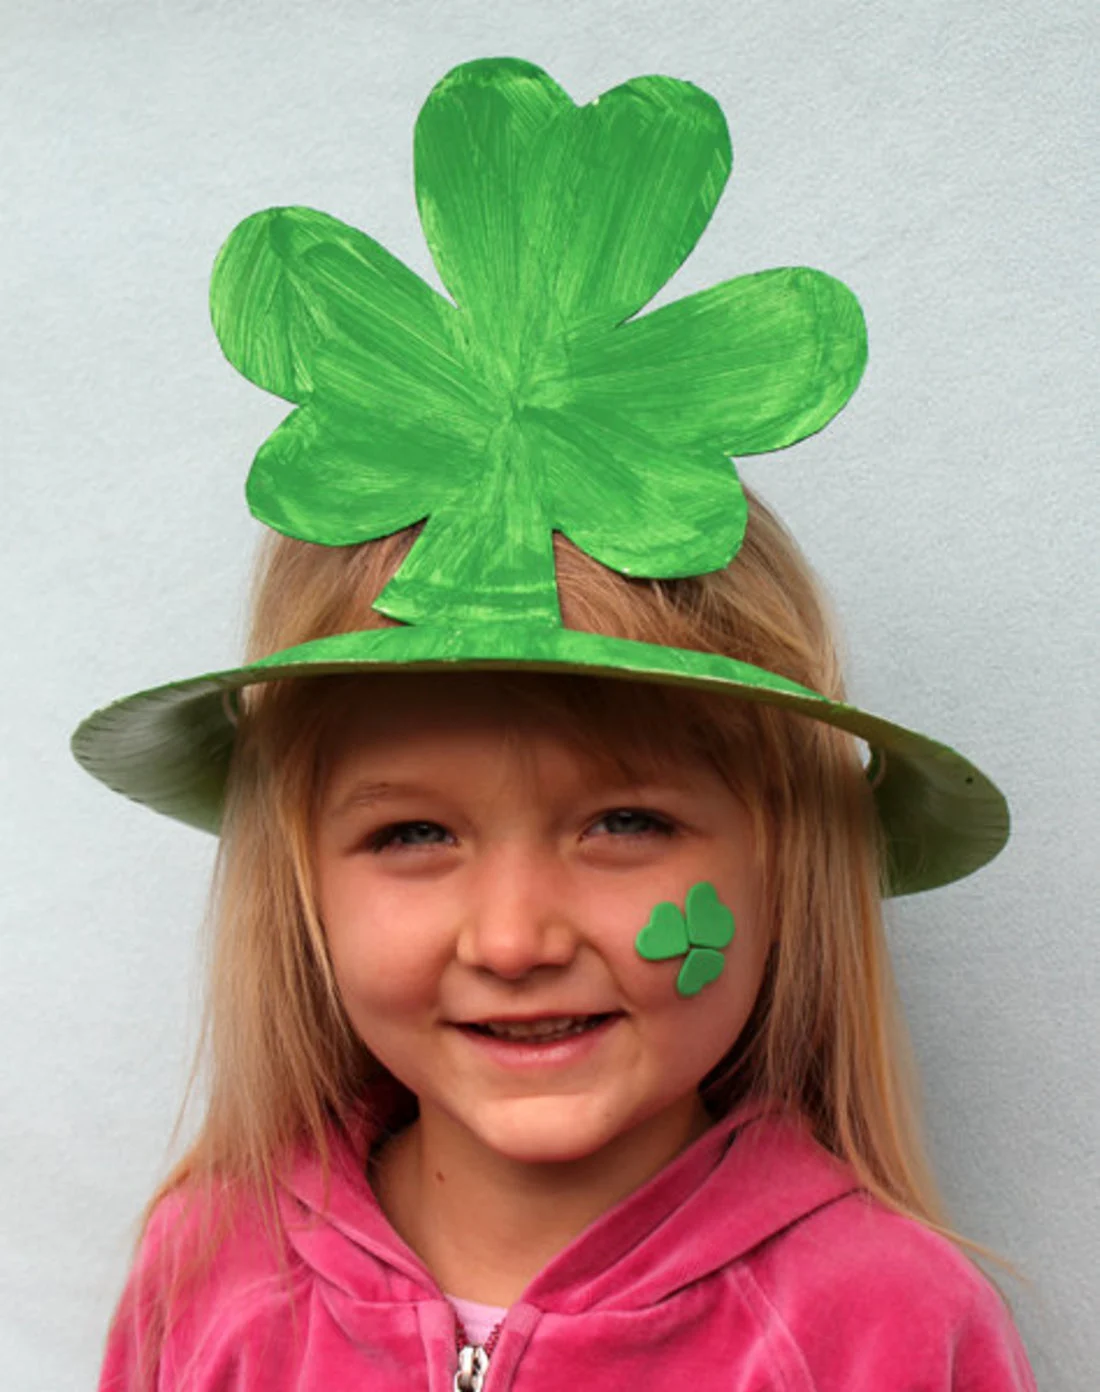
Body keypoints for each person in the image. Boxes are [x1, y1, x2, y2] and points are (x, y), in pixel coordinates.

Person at [79, 57, 1036, 1391]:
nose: (518, 938)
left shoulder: (885, 1329)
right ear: (298, 879)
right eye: (412, 832)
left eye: (627, 821)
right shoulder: (209, 1284)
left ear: (782, 861)